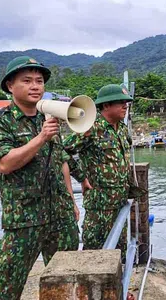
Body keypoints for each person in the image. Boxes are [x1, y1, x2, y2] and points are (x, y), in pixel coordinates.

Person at [0, 56, 79, 300]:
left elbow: (61, 162)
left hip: (59, 216)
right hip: (24, 221)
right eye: (26, 81)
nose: (35, 86)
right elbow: (4, 164)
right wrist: (40, 138)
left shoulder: (48, 118)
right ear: (10, 86)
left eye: (39, 81)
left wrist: (71, 200)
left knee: (66, 282)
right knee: (10, 287)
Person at [64, 84, 143, 252]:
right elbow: (63, 152)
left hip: (120, 201)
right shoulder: (90, 128)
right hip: (99, 206)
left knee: (118, 251)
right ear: (106, 105)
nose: (125, 106)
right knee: (95, 252)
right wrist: (81, 177)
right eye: (120, 102)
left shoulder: (121, 129)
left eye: (126, 102)